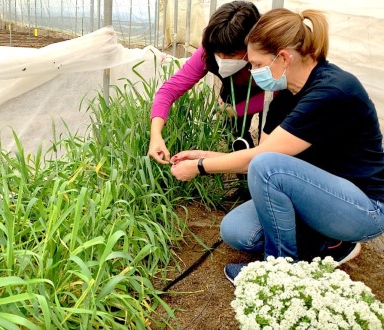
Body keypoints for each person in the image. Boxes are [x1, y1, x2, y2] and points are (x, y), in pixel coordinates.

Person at [168, 8, 384, 285]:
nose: (254, 71)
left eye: (257, 64)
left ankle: (279, 270)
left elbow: (262, 161)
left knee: (267, 166)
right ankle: (328, 242)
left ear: (283, 57)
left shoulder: (332, 91)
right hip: (317, 195)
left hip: (363, 208)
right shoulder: (286, 95)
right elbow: (257, 159)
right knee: (236, 231)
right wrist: (205, 155)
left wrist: (199, 167)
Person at [148, 1, 264, 166]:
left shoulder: (269, 55)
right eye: (219, 52)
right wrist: (155, 134)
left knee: (269, 142)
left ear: (251, 45)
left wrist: (237, 110)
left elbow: (277, 94)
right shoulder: (209, 50)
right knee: (233, 134)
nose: (223, 59)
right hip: (235, 91)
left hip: (267, 96)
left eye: (231, 54)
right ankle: (246, 182)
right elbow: (169, 90)